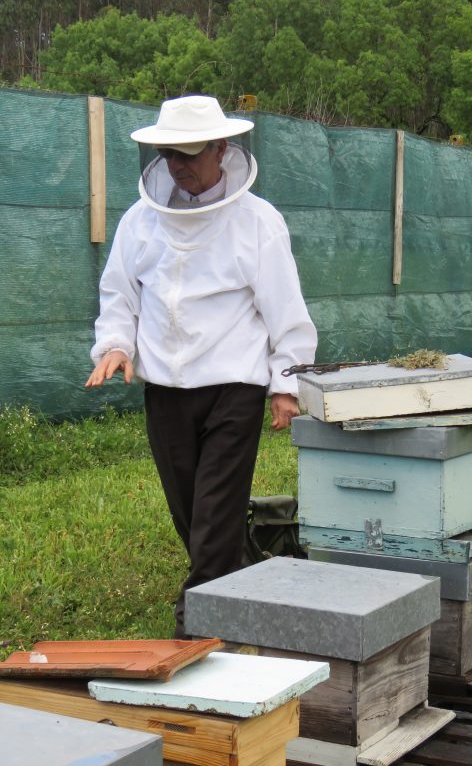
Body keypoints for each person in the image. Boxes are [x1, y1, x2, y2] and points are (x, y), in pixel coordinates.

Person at [85, 95, 317, 638]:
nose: (179, 165)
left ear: (221, 149)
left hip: (234, 386)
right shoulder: (139, 221)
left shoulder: (258, 222)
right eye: (169, 154)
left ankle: (195, 633)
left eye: (189, 153)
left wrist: (286, 382)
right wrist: (116, 344)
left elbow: (284, 307)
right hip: (165, 388)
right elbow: (119, 293)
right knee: (192, 512)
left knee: (214, 509)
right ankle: (248, 580)